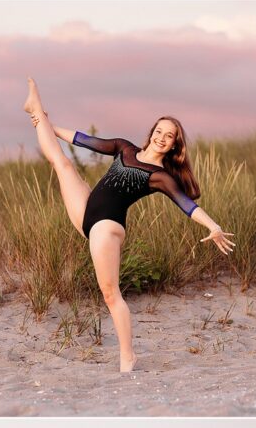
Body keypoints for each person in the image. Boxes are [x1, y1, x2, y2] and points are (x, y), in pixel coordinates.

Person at [23, 77, 235, 372]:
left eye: (169, 135)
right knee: (63, 164)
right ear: (151, 133)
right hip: (87, 213)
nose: (162, 137)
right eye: (159, 130)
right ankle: (35, 109)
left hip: (108, 226)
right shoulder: (124, 148)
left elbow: (187, 205)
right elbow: (82, 139)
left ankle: (127, 356)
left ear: (175, 144)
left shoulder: (161, 175)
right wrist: (44, 122)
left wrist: (212, 226)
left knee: (110, 294)